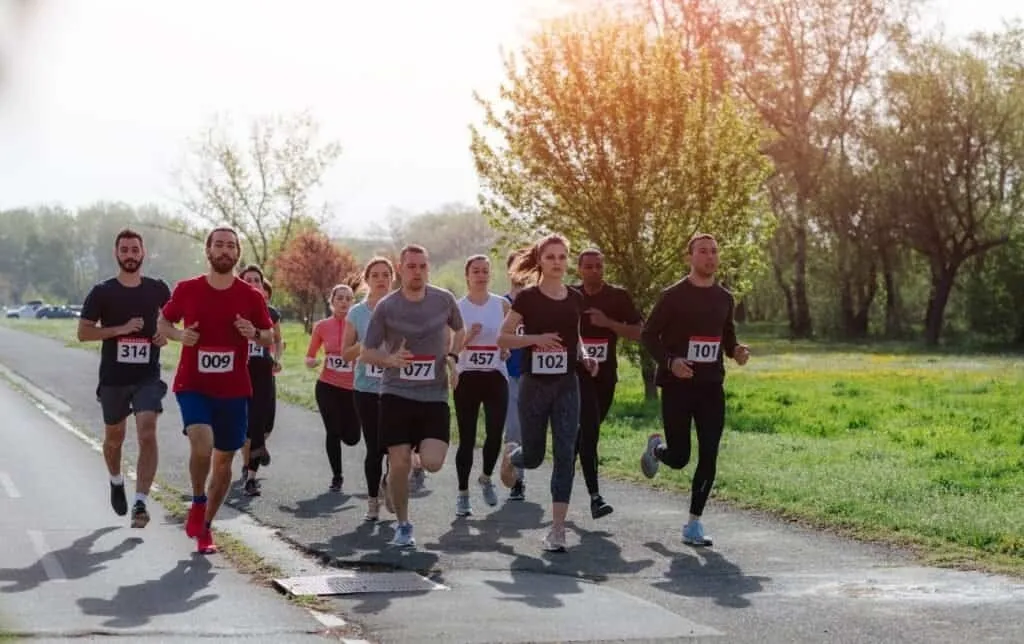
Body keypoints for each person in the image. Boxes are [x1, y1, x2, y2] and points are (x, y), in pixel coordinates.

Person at [158, 226, 275, 554]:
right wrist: (181, 337)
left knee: (224, 462)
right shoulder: (188, 289)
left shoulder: (250, 296)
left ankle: (206, 526)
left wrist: (253, 332)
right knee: (202, 443)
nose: (224, 251)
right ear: (208, 251)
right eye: (218, 245)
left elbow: (268, 336)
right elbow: (162, 324)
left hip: (233, 389)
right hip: (193, 384)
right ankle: (197, 501)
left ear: (237, 253)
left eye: (230, 246)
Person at [638, 233, 750, 547]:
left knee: (710, 453)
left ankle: (693, 524)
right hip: (677, 386)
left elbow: (727, 338)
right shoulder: (672, 296)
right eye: (703, 251)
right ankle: (657, 449)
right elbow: (648, 335)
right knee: (680, 457)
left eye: (714, 251)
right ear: (690, 257)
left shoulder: (724, 298)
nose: (710, 257)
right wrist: (671, 361)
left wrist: (737, 351)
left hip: (711, 386)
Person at [498, 234, 599, 553]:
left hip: (567, 383)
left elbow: (576, 335)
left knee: (566, 453)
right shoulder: (527, 298)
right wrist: (535, 339)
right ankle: (514, 454)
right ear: (540, 261)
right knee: (536, 456)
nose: (557, 262)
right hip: (535, 384)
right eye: (550, 257)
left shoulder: (575, 298)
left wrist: (584, 355)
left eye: (561, 257)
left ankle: (557, 529)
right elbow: (503, 337)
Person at [361, 244, 465, 547]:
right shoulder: (387, 307)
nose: (417, 272)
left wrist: (453, 358)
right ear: (401, 269)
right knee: (400, 459)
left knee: (432, 462)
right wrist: (390, 360)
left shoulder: (443, 300)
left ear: (427, 268)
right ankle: (404, 525)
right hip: (396, 392)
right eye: (411, 266)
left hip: (433, 394)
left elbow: (460, 331)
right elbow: (368, 353)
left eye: (422, 266)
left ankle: (395, 477)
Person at [78, 228, 171, 528]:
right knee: (114, 439)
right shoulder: (102, 291)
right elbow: (83, 333)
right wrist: (120, 329)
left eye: (135, 250)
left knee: (147, 430)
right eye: (125, 250)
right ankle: (116, 480)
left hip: (147, 376)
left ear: (143, 253)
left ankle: (141, 502)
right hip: (114, 378)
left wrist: (162, 336)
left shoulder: (158, 289)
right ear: (116, 254)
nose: (130, 255)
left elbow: (171, 325)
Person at [571, 249, 644, 519]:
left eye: (598, 266)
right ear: (579, 269)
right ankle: (595, 497)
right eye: (588, 266)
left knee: (584, 434)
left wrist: (608, 323)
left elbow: (639, 332)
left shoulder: (618, 297)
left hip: (605, 376)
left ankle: (564, 464)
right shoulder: (569, 296)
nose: (593, 271)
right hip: (576, 375)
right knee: (590, 432)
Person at [452, 255, 510, 516]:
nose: (481, 275)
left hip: (495, 374)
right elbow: (450, 347)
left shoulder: (502, 305)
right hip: (467, 376)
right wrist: (468, 336)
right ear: (467, 275)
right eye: (476, 271)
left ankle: (486, 478)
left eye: (485, 271)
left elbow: (508, 337)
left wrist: (506, 349)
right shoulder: (457, 307)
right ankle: (463, 494)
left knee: (495, 433)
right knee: (467, 438)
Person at [343, 257, 395, 520]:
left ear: (392, 279)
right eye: (375, 275)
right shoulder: (357, 313)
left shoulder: (402, 308)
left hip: (397, 388)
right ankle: (373, 501)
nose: (381, 279)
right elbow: (346, 354)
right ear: (367, 280)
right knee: (374, 448)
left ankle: (390, 479)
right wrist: (364, 346)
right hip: (366, 389)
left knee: (396, 447)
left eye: (386, 274)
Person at [305, 284, 361, 492]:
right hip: (327, 386)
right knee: (333, 431)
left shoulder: (357, 325)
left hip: (352, 389)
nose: (344, 302)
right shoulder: (321, 326)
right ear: (332, 301)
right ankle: (337, 476)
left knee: (353, 438)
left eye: (348, 298)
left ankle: (351, 432)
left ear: (353, 302)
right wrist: (310, 361)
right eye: (340, 298)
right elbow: (310, 354)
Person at [238, 265, 283, 497]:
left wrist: (277, 358)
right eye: (249, 279)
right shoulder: (233, 309)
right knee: (249, 426)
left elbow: (277, 340)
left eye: (257, 280)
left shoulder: (270, 313)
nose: (254, 283)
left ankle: (253, 456)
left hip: (263, 372)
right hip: (239, 372)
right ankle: (250, 475)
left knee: (264, 425)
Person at [502, 254, 527, 501]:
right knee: (514, 430)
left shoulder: (540, 306)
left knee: (531, 433)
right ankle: (517, 481)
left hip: (536, 377)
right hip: (509, 375)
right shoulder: (502, 305)